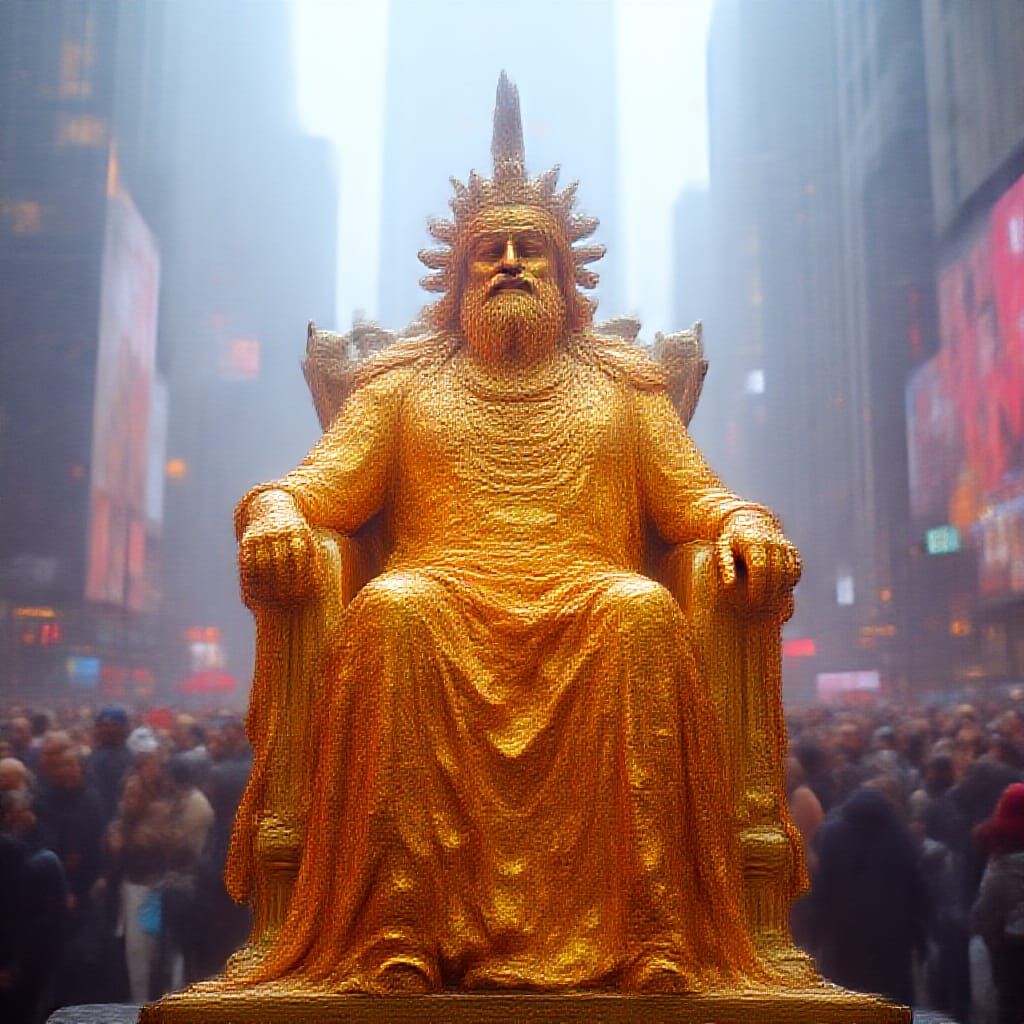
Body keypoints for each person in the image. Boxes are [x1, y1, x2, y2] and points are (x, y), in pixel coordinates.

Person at [227, 74, 801, 995]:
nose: (508, 264)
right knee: (392, 609)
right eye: (487, 251)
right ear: (454, 280)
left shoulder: (623, 389)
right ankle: (397, 930)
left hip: (588, 600)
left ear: (566, 275)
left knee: (644, 611)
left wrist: (744, 523)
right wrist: (281, 515)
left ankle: (650, 932)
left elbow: (698, 499)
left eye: (529, 249)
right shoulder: (403, 386)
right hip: (442, 596)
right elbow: (309, 488)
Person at [811, 786, 929, 1005]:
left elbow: (822, 888)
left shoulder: (833, 834)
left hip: (845, 938)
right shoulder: (899, 836)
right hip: (892, 939)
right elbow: (917, 891)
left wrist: (815, 934)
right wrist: (921, 941)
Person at [971, 782, 1024, 1024]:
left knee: (1010, 1004)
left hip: (1011, 951)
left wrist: (993, 940)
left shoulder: (1001, 868)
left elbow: (985, 913)